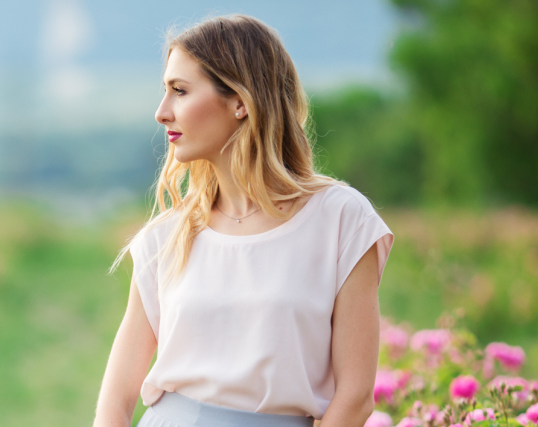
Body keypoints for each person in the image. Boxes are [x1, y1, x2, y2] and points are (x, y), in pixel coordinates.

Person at [93, 14, 395, 427]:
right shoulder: (165, 238)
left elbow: (356, 398)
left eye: (179, 91)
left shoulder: (343, 220)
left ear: (240, 101)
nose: (162, 113)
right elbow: (115, 401)